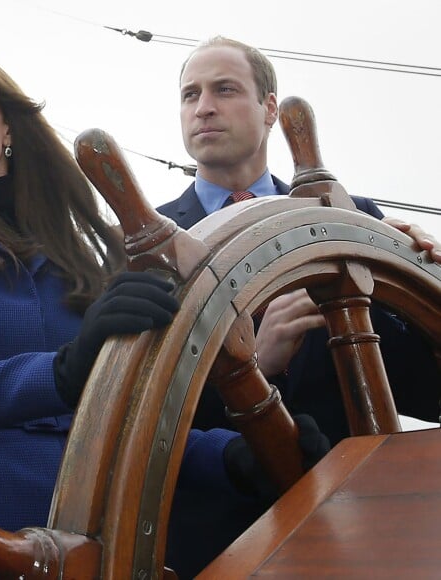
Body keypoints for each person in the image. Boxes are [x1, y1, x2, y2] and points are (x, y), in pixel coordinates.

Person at [0, 41, 329, 579]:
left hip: (101, 548)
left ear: (10, 128)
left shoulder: (90, 255)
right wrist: (63, 370)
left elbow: (132, 411)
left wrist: (232, 457)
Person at [157, 35, 440, 443]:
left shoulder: (351, 220)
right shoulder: (145, 249)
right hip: (221, 502)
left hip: (353, 495)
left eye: (225, 89)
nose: (203, 108)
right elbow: (144, 423)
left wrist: (418, 275)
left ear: (270, 108)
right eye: (190, 95)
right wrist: (253, 367)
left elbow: (426, 394)